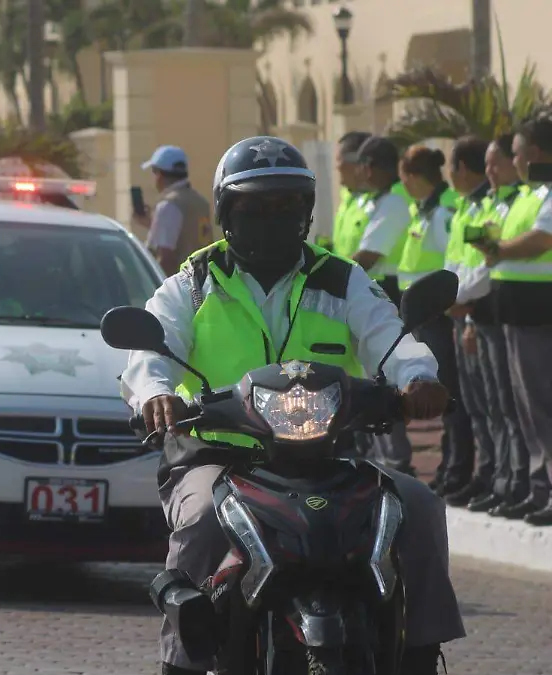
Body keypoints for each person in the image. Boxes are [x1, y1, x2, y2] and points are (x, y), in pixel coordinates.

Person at [120, 136, 465, 675]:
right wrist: (156, 394)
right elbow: (149, 351)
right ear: (226, 211)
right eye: (254, 207)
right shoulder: (193, 283)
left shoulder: (342, 279)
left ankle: (419, 652)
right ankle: (183, 662)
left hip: (324, 460)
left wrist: (418, 378)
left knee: (418, 506)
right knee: (206, 520)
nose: (270, 218)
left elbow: (391, 337)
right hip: (217, 456)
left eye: (286, 206)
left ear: (306, 212)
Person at [474, 115, 552, 525]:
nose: (515, 161)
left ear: (535, 154)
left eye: (517, 153)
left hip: (540, 312)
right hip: (517, 312)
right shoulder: (529, 192)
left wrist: (500, 248)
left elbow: (542, 239)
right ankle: (540, 489)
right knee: (526, 407)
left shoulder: (546, 192)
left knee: (542, 404)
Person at [397, 144, 476, 496]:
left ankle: (459, 468)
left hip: (440, 314)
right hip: (424, 316)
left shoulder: (443, 213)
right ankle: (450, 465)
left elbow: (450, 266)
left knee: (449, 395)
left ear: (413, 177)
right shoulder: (425, 211)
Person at [460, 133, 532, 514]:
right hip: (481, 314)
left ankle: (520, 481)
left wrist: (462, 303)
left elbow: (491, 265)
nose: (489, 171)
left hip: (504, 313)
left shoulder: (520, 203)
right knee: (494, 405)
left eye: (495, 162)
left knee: (512, 405)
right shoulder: (492, 204)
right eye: (486, 164)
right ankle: (503, 479)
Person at [349, 136, 418, 475]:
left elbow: (370, 254)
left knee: (384, 379)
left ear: (373, 167)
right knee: (369, 376)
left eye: (364, 165)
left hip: (385, 290)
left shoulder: (393, 203)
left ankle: (397, 462)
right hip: (372, 287)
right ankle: (381, 458)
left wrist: (331, 276)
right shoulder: (378, 201)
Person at [439, 136, 497, 507]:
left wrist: (459, 300)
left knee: (496, 405)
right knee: (477, 404)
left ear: (462, 169)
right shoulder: (464, 207)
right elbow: (456, 263)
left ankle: (500, 477)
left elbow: (487, 267)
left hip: (479, 312)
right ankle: (487, 474)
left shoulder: (487, 206)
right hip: (461, 311)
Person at [132, 145, 213, 272]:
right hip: (204, 280)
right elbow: (187, 235)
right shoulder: (200, 201)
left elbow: (166, 259)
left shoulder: (168, 205)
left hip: (182, 285)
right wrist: (152, 224)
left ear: (159, 174)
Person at [331, 130, 372, 258]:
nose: (337, 166)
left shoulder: (387, 198)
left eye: (340, 160)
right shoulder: (348, 198)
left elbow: (369, 255)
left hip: (375, 277)